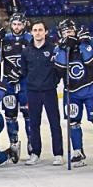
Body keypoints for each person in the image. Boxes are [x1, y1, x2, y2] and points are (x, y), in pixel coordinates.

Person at [52, 19, 93, 169]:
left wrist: (82, 42)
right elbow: (61, 67)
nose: (67, 34)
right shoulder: (58, 49)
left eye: (70, 31)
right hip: (71, 93)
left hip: (91, 90)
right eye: (64, 32)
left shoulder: (90, 41)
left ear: (75, 31)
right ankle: (78, 153)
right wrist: (65, 48)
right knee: (73, 123)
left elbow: (91, 61)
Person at [21, 20, 63, 165]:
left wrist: (52, 83)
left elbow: (58, 70)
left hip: (49, 91)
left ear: (45, 32)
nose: (37, 32)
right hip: (32, 92)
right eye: (35, 30)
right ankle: (35, 153)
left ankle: (58, 154)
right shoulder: (26, 51)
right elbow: (24, 70)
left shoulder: (53, 49)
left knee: (54, 123)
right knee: (34, 124)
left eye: (40, 30)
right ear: (31, 32)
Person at [0, 13, 32, 158]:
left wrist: (22, 72)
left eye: (19, 24)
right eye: (14, 24)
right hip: (8, 83)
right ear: (10, 25)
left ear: (24, 24)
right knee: (10, 115)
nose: (17, 27)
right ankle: (13, 143)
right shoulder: (4, 39)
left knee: (28, 115)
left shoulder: (29, 39)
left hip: (25, 83)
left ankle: (32, 143)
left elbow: (33, 59)